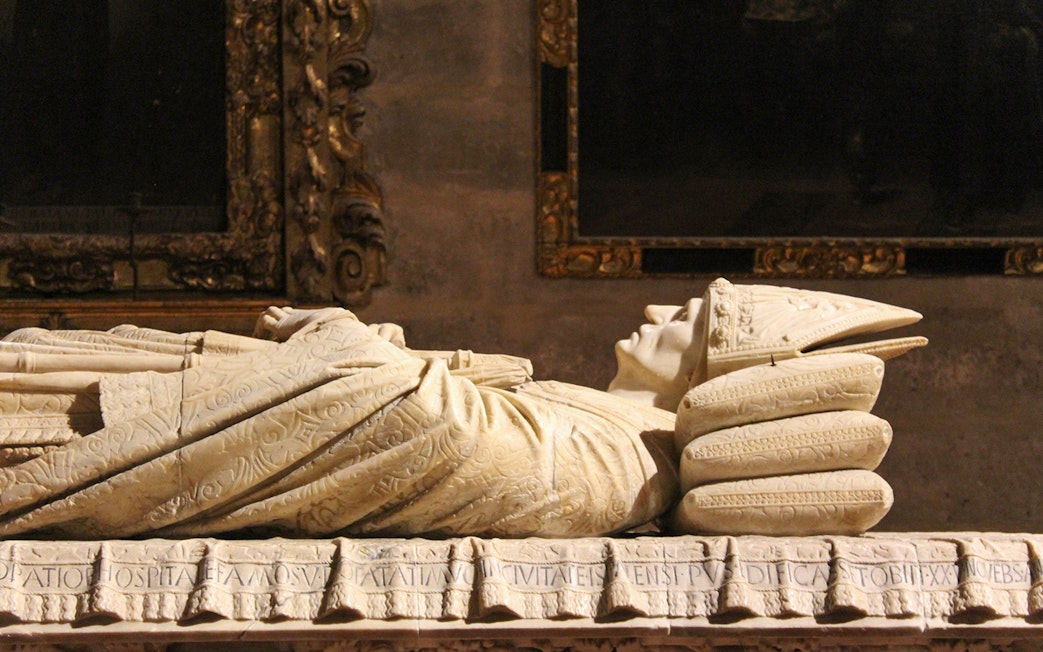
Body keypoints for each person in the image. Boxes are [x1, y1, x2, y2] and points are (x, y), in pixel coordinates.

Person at [0, 279, 924, 539]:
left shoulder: (626, 462)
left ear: (725, 360)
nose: (652, 312)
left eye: (687, 317)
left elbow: (431, 432)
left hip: (140, 428)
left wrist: (346, 337)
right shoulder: (589, 415)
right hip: (187, 396)